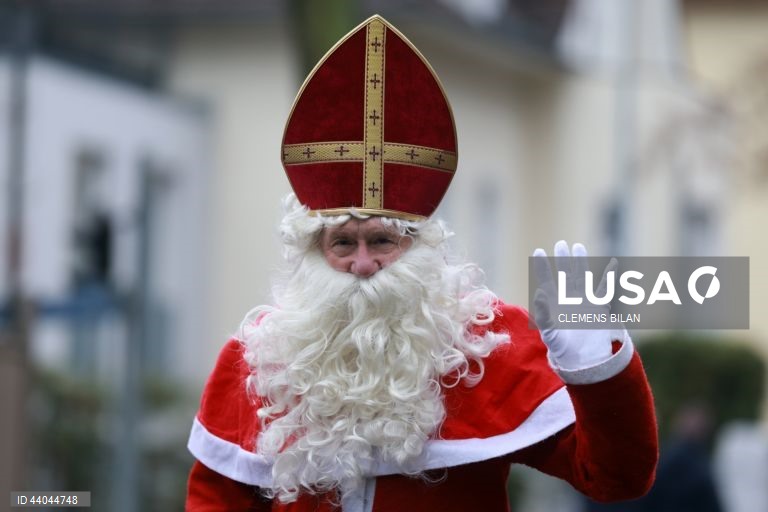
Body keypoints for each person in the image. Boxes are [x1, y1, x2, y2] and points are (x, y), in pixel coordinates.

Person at [185, 15, 658, 512]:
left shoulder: (484, 347)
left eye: (381, 241)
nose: (363, 264)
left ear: (419, 247)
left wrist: (597, 373)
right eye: (343, 243)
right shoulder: (261, 361)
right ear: (313, 251)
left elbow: (617, 478)